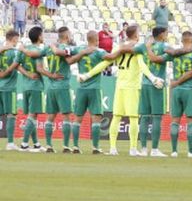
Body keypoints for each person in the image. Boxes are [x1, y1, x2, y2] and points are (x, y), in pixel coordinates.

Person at [80, 24, 162, 156]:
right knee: (134, 118)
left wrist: (87, 75)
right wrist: (153, 78)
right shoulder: (137, 49)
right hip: (132, 87)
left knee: (116, 117)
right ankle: (133, 149)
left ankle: (113, 148)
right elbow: (142, 66)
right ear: (135, 35)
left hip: (119, 86)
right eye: (138, 32)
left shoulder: (119, 48)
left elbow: (105, 63)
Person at [160, 31, 192, 158]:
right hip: (189, 89)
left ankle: (174, 151)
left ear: (182, 40)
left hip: (176, 89)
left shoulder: (176, 54)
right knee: (190, 122)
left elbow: (161, 57)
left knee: (175, 121)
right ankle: (191, 151)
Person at [72, 31, 115, 154]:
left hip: (81, 88)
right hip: (94, 88)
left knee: (77, 118)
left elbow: (68, 56)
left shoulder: (80, 49)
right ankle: (95, 148)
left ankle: (75, 146)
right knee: (96, 118)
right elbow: (111, 58)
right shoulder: (99, 52)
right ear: (96, 39)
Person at [135, 27, 170, 157]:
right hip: (157, 84)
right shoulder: (164, 46)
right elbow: (174, 53)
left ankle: (143, 149)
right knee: (156, 117)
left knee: (144, 117)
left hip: (144, 83)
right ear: (161, 35)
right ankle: (154, 149)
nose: (167, 35)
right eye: (166, 33)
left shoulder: (144, 46)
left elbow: (129, 49)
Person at [15, 26, 51, 152]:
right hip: (36, 86)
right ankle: (24, 144)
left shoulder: (23, 51)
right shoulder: (38, 51)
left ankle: (36, 144)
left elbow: (16, 66)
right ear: (39, 36)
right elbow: (40, 69)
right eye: (42, 34)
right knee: (32, 115)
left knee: (33, 116)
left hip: (25, 86)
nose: (43, 37)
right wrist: (52, 75)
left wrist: (27, 74)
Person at [0, 29, 20, 150]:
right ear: (14, 39)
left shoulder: (1, 51)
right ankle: (11, 143)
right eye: (17, 39)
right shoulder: (14, 52)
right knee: (11, 114)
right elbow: (18, 66)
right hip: (9, 87)